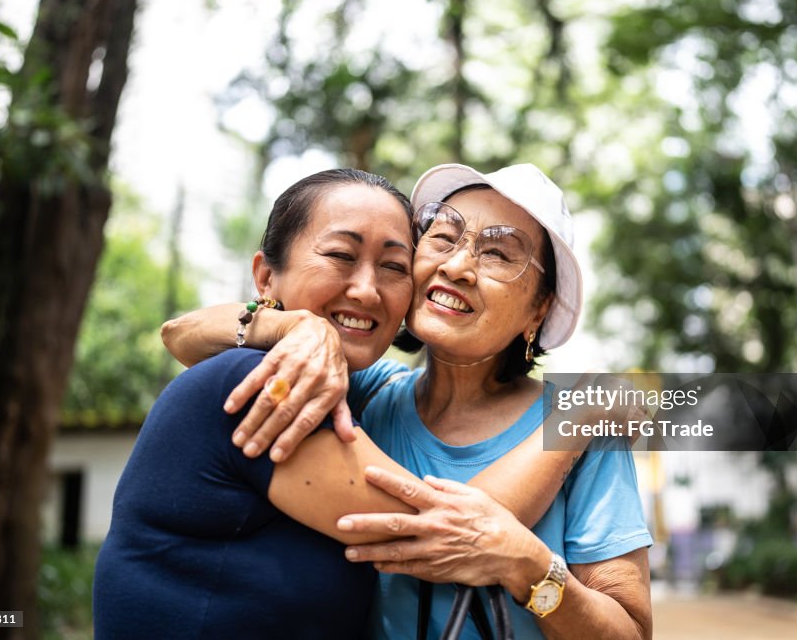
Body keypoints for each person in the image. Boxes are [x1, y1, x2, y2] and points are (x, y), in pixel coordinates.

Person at [94, 168, 607, 639]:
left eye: (392, 266)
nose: (366, 289)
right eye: (341, 255)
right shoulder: (263, 381)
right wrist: (577, 421)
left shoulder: (350, 386)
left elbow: (677, 402)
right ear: (266, 277)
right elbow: (440, 531)